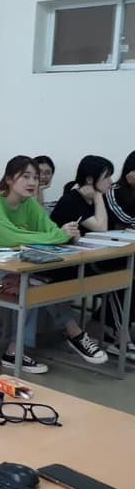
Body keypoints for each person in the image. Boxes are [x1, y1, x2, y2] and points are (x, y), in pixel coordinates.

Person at [0, 156, 108, 372]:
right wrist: (60, 236)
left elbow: (50, 228)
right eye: (25, 177)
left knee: (36, 287)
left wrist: (66, 233)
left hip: (14, 267)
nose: (32, 182)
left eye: (35, 177)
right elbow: (12, 237)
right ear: (9, 179)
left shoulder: (29, 204)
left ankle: (16, 352)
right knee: (33, 287)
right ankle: (74, 334)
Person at [105, 150, 135, 359]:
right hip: (112, 254)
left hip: (130, 252)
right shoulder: (114, 191)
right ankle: (119, 336)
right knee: (123, 280)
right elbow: (124, 218)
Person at [50, 155, 114, 236]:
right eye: (106, 177)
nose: (111, 181)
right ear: (89, 179)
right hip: (60, 242)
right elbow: (101, 228)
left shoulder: (101, 197)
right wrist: (97, 195)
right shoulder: (71, 200)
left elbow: (110, 226)